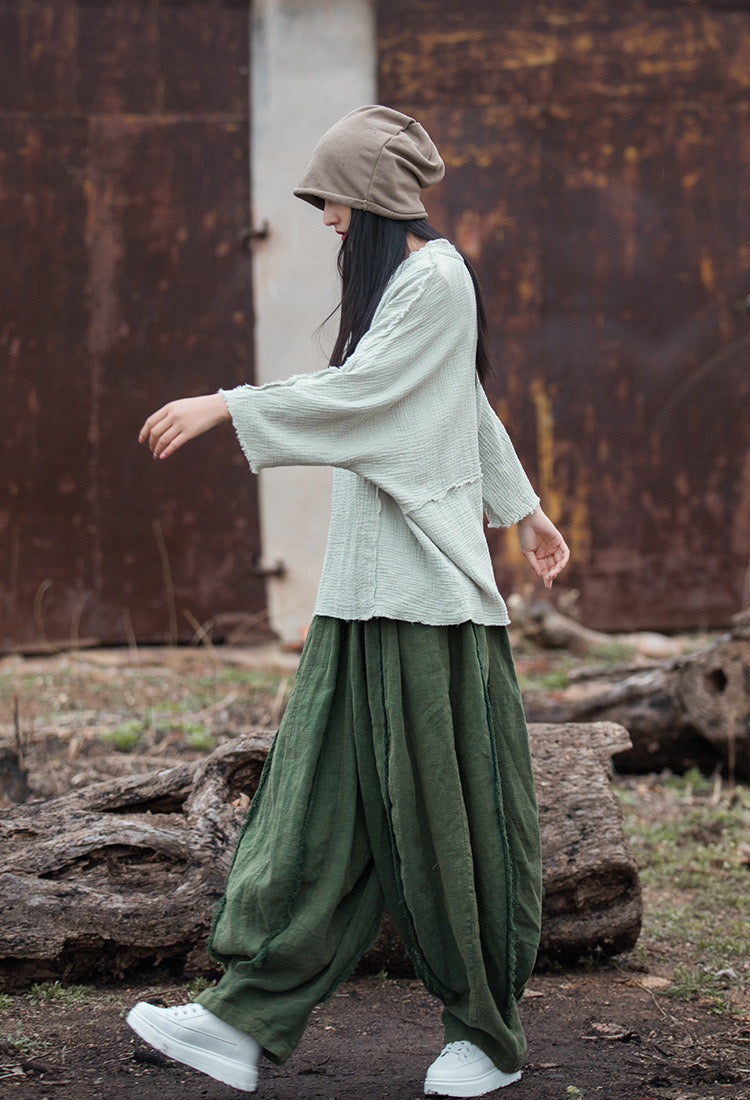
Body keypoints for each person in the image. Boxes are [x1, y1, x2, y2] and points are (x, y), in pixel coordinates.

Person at [127, 105, 569, 1098]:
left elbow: (376, 397)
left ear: (370, 201)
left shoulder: (436, 279)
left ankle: (487, 1035)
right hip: (362, 597)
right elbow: (453, 401)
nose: (326, 219)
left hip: (428, 604)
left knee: (449, 823)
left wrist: (228, 404)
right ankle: (241, 1020)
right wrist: (528, 511)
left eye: (331, 200)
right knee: (310, 813)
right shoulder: (406, 287)